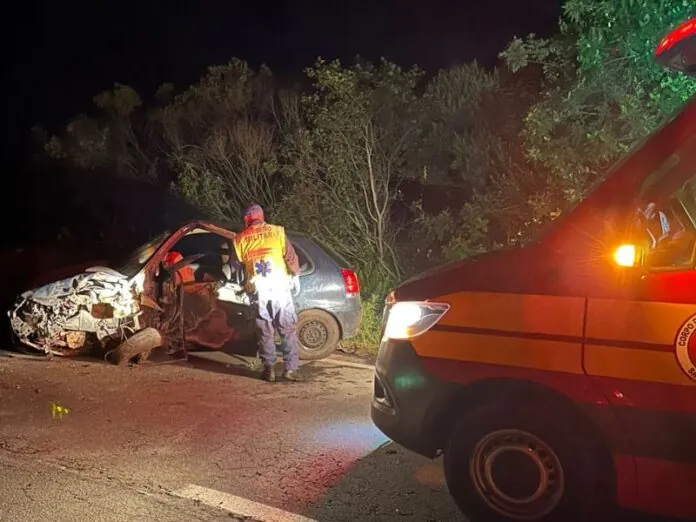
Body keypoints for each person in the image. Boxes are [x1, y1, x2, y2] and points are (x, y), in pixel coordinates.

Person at [233, 204, 304, 382]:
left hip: (259, 290)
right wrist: (295, 275)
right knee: (287, 328)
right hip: (280, 287)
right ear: (262, 216)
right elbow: (290, 256)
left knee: (264, 329)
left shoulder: (240, 239)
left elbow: (236, 266)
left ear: (245, 219)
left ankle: (269, 369)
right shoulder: (277, 232)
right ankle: (290, 369)